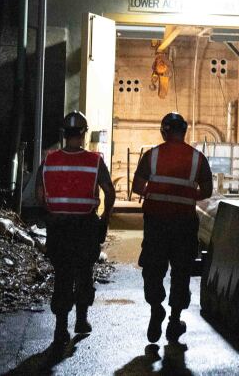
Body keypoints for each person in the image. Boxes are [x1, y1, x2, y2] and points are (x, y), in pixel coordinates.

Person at [131, 112, 212, 346]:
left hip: (156, 223)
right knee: (181, 271)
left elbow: (137, 187)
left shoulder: (152, 155)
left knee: (153, 268)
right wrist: (186, 196)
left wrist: (157, 195)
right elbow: (206, 191)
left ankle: (156, 308)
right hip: (184, 224)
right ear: (184, 131)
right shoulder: (198, 159)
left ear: (164, 131)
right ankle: (174, 320)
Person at [35, 110, 115, 346]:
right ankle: (81, 320)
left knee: (62, 275)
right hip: (85, 227)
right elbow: (109, 192)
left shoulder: (49, 161)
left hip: (58, 227)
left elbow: (39, 194)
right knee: (84, 272)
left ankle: (61, 329)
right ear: (83, 133)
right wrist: (105, 219)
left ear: (64, 133)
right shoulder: (94, 161)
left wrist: (50, 213)